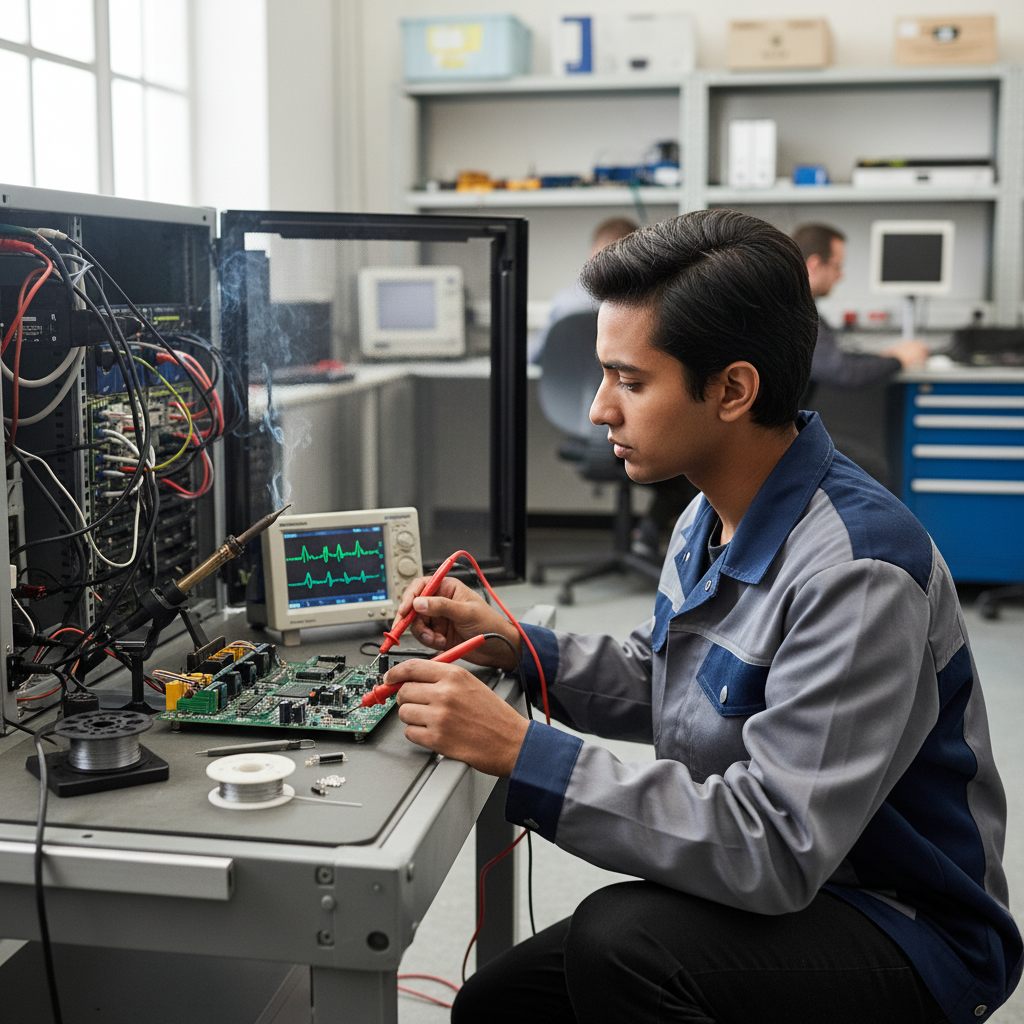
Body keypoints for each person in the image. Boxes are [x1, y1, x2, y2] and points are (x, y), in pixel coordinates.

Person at [385, 210, 1021, 1024]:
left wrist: (524, 752)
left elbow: (775, 845)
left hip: (903, 923)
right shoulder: (708, 513)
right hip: (802, 881)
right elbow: (669, 680)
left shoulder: (858, 571)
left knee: (623, 945)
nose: (599, 411)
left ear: (732, 389)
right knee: (497, 1005)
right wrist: (516, 648)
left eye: (631, 381)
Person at [793, 222, 929, 393]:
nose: (841, 276)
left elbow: (838, 357)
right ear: (815, 265)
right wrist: (899, 359)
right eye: (837, 266)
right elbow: (844, 371)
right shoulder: (794, 314)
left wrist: (885, 358)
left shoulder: (798, 306)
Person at [528, 216, 638, 365]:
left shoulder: (565, 302)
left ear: (592, 254)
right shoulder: (643, 307)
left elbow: (533, 356)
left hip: (563, 387)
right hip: (620, 386)